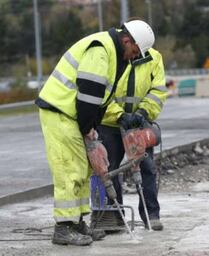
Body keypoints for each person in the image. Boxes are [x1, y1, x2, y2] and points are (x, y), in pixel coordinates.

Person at [35, 19, 155, 246]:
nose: (134, 56)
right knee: (69, 168)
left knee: (82, 168)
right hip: (60, 111)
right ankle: (63, 228)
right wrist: (89, 131)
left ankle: (77, 222)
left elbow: (100, 100)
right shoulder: (101, 50)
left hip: (72, 114)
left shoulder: (113, 53)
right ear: (127, 40)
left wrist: (91, 131)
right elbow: (89, 96)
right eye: (135, 51)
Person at [92, 20, 167, 231]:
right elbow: (101, 93)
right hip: (109, 122)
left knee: (146, 167)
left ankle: (151, 214)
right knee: (108, 168)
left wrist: (143, 112)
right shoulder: (109, 55)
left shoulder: (154, 58)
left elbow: (158, 91)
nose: (135, 55)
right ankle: (113, 218)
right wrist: (119, 115)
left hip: (139, 123)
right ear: (128, 42)